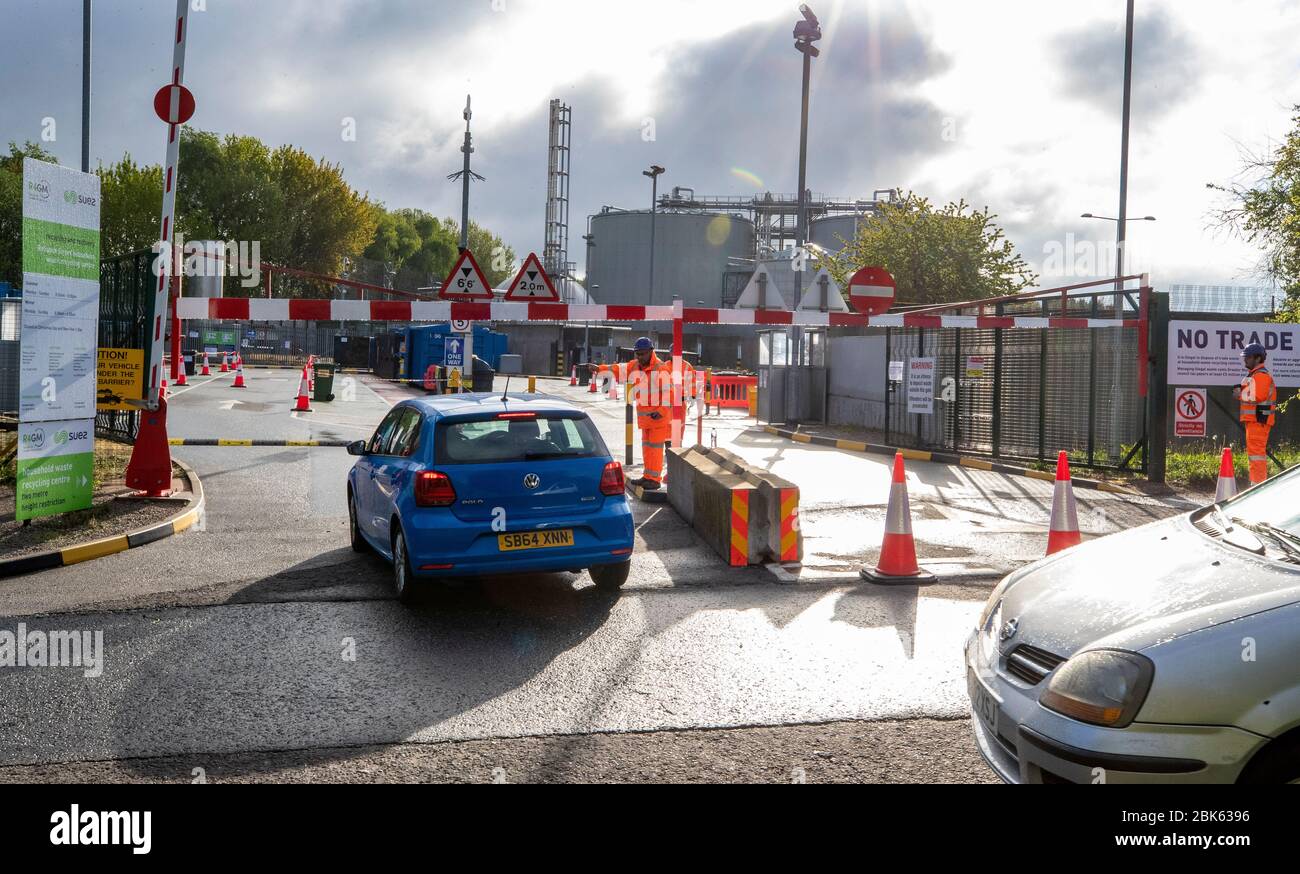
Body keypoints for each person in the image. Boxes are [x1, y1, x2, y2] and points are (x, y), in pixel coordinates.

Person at [589, 337, 694, 490]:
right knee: (647, 449)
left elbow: (669, 393)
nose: (640, 357)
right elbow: (617, 368)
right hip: (646, 419)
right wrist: (599, 369)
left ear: (651, 352)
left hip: (658, 418)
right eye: (638, 354)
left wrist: (661, 411)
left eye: (643, 354)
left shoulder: (660, 368)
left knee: (656, 450)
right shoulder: (635, 366)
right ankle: (648, 476)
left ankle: (654, 479)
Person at [1233, 342, 1277, 485]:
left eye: (1248, 357)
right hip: (1256, 420)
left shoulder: (1261, 375)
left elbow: (1258, 396)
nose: (1245, 359)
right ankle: (1257, 484)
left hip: (1259, 420)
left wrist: (1239, 394)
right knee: (1255, 454)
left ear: (1258, 358)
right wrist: (1240, 391)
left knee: (1256, 454)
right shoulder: (1255, 375)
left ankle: (1257, 485)